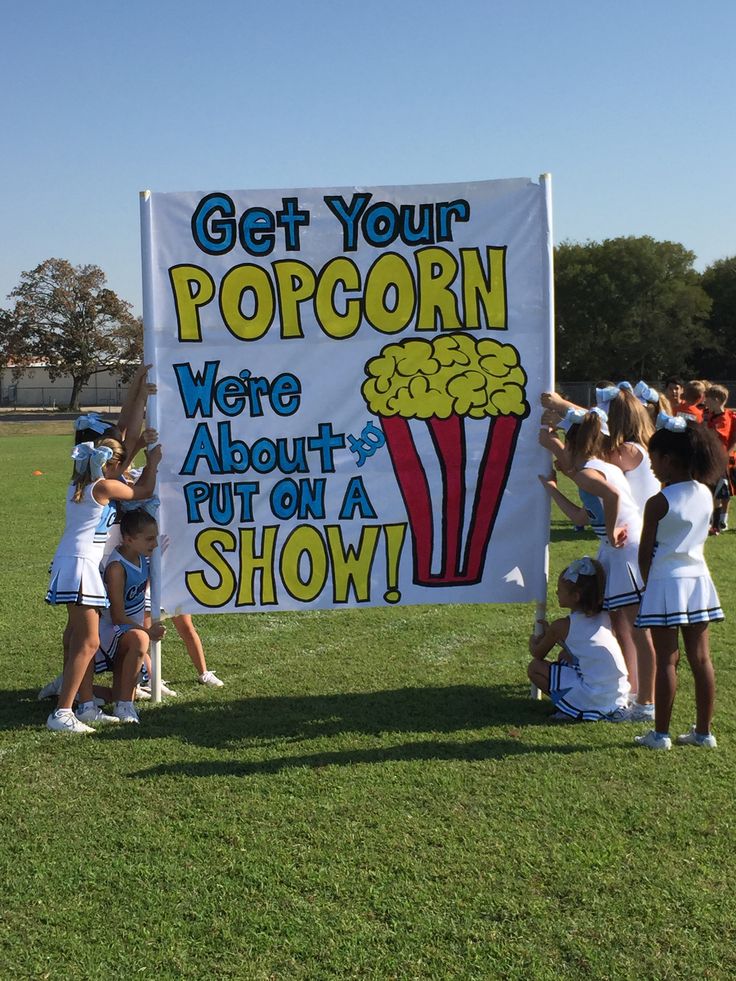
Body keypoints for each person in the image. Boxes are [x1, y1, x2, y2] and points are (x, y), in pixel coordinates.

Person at [539, 409, 656, 717]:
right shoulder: (595, 467)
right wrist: (552, 490)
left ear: (574, 445)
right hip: (616, 548)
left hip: (624, 549)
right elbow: (581, 516)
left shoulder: (589, 470)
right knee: (621, 624)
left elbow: (613, 495)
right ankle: (632, 692)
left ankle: (646, 703)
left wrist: (615, 525)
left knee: (635, 629)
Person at [45, 438, 162, 733]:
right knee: (88, 642)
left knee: (76, 637)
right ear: (107, 464)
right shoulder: (103, 487)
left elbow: (119, 477)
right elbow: (143, 491)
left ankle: (84, 706)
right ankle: (62, 712)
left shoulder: (80, 485)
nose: (123, 469)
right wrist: (152, 462)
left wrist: (135, 446)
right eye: (118, 464)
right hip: (81, 564)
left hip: (72, 561)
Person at [634, 416, 725, 749]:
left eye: (654, 459)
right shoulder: (705, 492)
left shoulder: (658, 503)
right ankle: (704, 733)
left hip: (665, 582)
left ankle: (660, 735)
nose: (653, 466)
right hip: (698, 580)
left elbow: (645, 555)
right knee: (702, 659)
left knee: (666, 660)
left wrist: (649, 586)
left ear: (668, 460)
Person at [528, 557, 630, 720]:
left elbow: (537, 654)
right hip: (618, 694)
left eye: (559, 589)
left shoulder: (561, 626)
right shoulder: (606, 616)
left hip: (593, 695)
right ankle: (583, 704)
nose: (556, 593)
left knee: (534, 668)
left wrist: (533, 640)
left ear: (575, 596)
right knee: (564, 656)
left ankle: (571, 707)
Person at [96, 508, 166, 724]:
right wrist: (148, 631)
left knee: (122, 691)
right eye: (149, 539)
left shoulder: (143, 557)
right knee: (141, 639)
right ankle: (124, 706)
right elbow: (117, 616)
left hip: (130, 628)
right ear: (128, 539)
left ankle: (70, 685)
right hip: (112, 630)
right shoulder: (116, 568)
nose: (153, 544)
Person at [702, 384, 736, 534]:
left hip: (718, 460)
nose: (705, 401)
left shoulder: (723, 419)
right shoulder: (712, 416)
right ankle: (714, 523)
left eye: (707, 398)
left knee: (717, 493)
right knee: (712, 491)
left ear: (716, 400)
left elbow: (716, 436)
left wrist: (704, 426)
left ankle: (716, 524)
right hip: (711, 458)